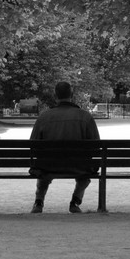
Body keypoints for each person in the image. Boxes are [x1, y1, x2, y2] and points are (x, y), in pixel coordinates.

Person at [28, 81, 100, 214]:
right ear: (71, 95)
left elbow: (33, 144)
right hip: (79, 166)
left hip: (48, 165)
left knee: (43, 169)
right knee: (86, 173)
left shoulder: (44, 117)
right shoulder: (85, 117)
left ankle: (39, 202)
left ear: (55, 96)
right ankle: (75, 202)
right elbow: (96, 145)